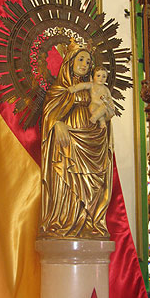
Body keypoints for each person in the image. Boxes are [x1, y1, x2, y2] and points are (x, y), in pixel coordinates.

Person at [39, 39, 115, 239]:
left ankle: (90, 223)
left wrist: (105, 113)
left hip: (94, 141)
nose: (84, 64)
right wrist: (57, 123)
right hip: (68, 143)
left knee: (93, 184)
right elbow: (50, 113)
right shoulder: (58, 90)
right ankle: (65, 220)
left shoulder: (95, 89)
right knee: (68, 177)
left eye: (88, 62)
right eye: (80, 59)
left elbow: (107, 111)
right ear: (70, 61)